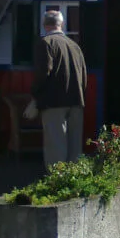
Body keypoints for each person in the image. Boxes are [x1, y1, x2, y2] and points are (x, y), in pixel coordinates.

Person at [28, 9, 87, 168]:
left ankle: (57, 181)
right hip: (76, 100)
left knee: (56, 145)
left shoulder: (46, 43)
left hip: (53, 101)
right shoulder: (75, 46)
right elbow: (83, 76)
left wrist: (34, 94)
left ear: (44, 24)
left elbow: (43, 73)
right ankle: (74, 179)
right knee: (75, 145)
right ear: (61, 24)